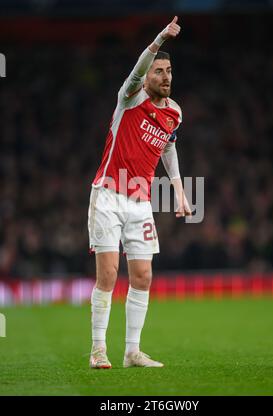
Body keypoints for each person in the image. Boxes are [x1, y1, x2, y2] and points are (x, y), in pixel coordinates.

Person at [88, 16, 191, 369]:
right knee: (107, 273)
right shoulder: (129, 97)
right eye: (158, 70)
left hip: (141, 202)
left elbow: (167, 148)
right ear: (146, 77)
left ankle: (132, 352)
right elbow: (138, 68)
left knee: (143, 276)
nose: (165, 76)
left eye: (169, 71)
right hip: (107, 195)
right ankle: (98, 349)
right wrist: (160, 39)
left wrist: (178, 190)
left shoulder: (174, 113)